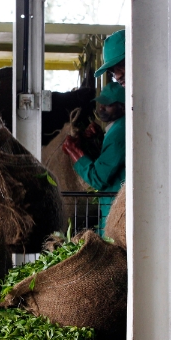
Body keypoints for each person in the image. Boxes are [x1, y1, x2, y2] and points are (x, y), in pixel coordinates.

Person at [62, 82, 125, 233]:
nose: (101, 108)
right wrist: (98, 138)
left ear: (122, 106)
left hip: (116, 212)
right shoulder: (118, 127)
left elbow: (98, 178)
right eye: (100, 103)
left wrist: (73, 151)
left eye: (108, 104)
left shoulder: (119, 133)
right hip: (114, 209)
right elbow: (112, 160)